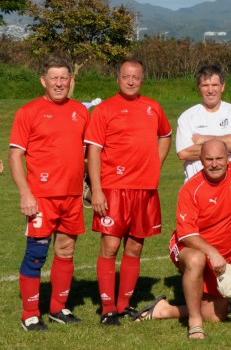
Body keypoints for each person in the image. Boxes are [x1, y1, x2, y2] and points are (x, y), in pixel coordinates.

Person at [136, 139, 231, 339]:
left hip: (220, 255)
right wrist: (212, 252)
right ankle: (194, 323)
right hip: (189, 246)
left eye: (219, 158)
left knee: (216, 316)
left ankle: (163, 310)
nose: (214, 164)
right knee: (196, 259)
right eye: (209, 159)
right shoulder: (191, 189)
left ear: (228, 159)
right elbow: (187, 235)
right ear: (200, 160)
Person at [85, 58, 172, 325]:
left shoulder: (153, 107)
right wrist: (97, 190)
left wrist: (155, 164)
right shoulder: (104, 109)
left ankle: (124, 304)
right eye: (126, 76)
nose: (131, 81)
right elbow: (93, 151)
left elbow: (165, 135)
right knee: (110, 246)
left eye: (136, 77)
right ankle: (107, 307)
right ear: (118, 78)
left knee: (134, 247)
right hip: (113, 188)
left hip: (144, 189)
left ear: (142, 79)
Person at [9, 58, 90, 330]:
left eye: (63, 78)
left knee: (66, 250)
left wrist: (90, 183)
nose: (58, 83)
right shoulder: (28, 111)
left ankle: (58, 308)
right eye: (53, 78)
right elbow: (15, 156)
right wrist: (25, 194)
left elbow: (87, 153)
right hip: (41, 198)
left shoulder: (81, 111)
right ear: (43, 80)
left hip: (72, 196)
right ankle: (30, 313)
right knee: (36, 254)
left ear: (70, 80)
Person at [175, 64, 231, 181]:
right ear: (199, 87)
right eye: (205, 85)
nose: (210, 90)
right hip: (196, 184)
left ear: (222, 86)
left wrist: (204, 139)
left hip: (229, 183)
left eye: (214, 85)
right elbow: (184, 152)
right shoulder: (187, 117)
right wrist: (227, 144)